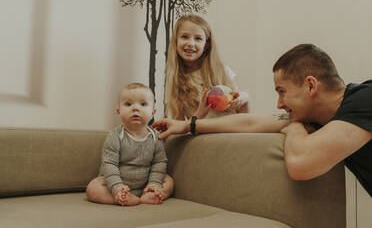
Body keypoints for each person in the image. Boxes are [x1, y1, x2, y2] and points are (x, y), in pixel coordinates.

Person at [154, 44, 372, 197]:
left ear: (310, 86)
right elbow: (251, 123)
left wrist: (294, 126)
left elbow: (301, 165)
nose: (279, 104)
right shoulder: (321, 117)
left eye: (282, 91)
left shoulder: (366, 99)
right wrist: (187, 125)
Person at [86, 83, 174, 206]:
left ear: (153, 112)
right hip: (117, 182)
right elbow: (109, 164)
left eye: (143, 104)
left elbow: (159, 162)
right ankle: (121, 197)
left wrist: (154, 183)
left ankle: (152, 194)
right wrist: (117, 186)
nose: (135, 108)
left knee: (169, 181)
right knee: (93, 188)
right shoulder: (115, 136)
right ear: (119, 110)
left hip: (146, 183)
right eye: (128, 104)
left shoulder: (156, 137)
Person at [165, 14, 250, 120]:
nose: (191, 43)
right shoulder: (176, 80)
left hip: (229, 132)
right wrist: (200, 114)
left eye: (198, 38)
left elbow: (243, 119)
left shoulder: (222, 71)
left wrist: (244, 98)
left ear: (206, 45)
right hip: (200, 135)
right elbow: (180, 128)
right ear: (175, 41)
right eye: (184, 37)